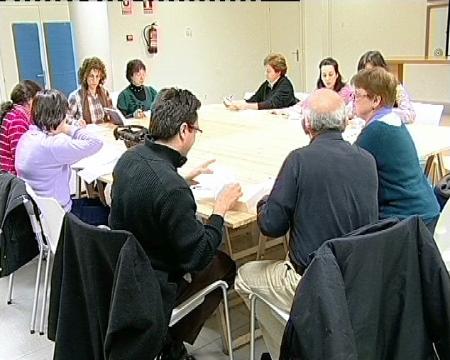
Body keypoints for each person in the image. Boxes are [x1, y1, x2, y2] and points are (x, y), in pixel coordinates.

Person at [235, 88, 379, 360]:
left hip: (312, 279)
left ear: (307, 124)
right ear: (345, 122)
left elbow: (271, 225)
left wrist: (265, 201)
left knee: (244, 276)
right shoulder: (367, 161)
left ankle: (291, 350)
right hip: (358, 278)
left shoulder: (299, 160)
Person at [110, 88, 242, 360]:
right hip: (154, 286)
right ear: (184, 130)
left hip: (123, 272)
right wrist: (219, 211)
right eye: (196, 129)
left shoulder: (129, 158)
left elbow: (152, 186)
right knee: (224, 264)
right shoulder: (172, 190)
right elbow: (198, 256)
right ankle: (169, 340)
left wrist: (179, 176)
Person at [353, 67, 440, 233]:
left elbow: (347, 168)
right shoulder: (391, 120)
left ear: (375, 100)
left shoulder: (376, 131)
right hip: (423, 211)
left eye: (358, 95)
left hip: (406, 219)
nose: (354, 100)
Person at [15, 89, 107, 226]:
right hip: (62, 218)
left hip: (41, 215)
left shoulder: (27, 138)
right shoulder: (53, 145)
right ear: (58, 116)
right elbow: (96, 142)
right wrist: (66, 128)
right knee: (109, 212)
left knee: (93, 202)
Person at [357, 50, 416, 124]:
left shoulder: (395, 87)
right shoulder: (360, 89)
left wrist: (381, 112)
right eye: (363, 74)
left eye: (371, 73)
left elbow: (410, 115)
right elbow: (351, 111)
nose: (367, 78)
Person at [226, 53, 298, 110]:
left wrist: (245, 106)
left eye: (268, 71)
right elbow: (255, 98)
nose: (266, 74)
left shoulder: (285, 86)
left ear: (278, 72)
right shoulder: (267, 84)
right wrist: (237, 104)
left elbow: (271, 104)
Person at [0, 80, 42, 175]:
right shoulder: (17, 120)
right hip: (12, 179)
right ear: (30, 100)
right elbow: (22, 158)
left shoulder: (14, 114)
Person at [67, 57, 113, 125]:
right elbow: (66, 119)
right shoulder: (75, 96)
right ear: (85, 77)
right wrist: (76, 122)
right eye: (91, 76)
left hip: (104, 130)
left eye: (97, 76)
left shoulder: (105, 93)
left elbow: (111, 113)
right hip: (87, 133)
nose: (94, 80)